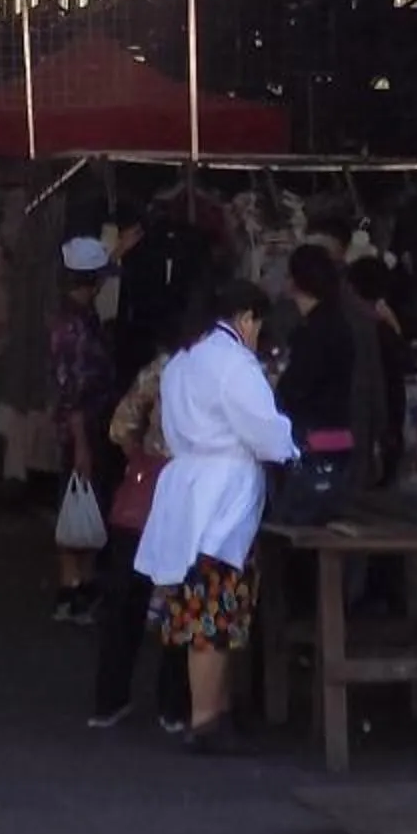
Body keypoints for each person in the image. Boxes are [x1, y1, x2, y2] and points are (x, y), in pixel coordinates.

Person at [134, 271, 299, 754]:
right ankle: (206, 718)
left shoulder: (183, 361)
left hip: (187, 485)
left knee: (205, 605)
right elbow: (265, 431)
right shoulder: (233, 364)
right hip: (222, 493)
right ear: (246, 318)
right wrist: (293, 449)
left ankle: (215, 709)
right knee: (212, 609)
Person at [87, 343, 194, 734]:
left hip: (145, 491)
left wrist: (140, 456)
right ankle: (174, 705)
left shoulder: (163, 367)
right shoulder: (230, 371)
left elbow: (121, 425)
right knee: (183, 599)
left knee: (124, 599)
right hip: (192, 495)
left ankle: (109, 699)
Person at [48, 237, 122, 619]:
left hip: (90, 425)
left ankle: (80, 584)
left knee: (83, 501)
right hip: (83, 428)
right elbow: (73, 389)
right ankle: (72, 585)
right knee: (77, 499)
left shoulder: (79, 319)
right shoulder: (75, 327)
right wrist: (81, 444)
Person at [272, 242, 361, 503]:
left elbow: (296, 387)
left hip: (312, 439)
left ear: (296, 281)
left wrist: (277, 383)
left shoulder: (313, 332)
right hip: (339, 433)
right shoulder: (340, 323)